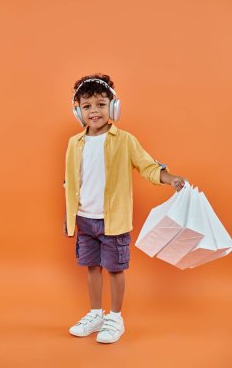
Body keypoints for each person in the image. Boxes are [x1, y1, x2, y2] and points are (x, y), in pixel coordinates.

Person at [63, 73, 186, 344]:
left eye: (100, 104)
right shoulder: (75, 144)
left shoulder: (125, 140)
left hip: (113, 221)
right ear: (77, 111)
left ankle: (115, 317)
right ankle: (96, 314)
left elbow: (149, 167)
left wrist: (170, 178)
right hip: (84, 219)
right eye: (86, 106)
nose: (94, 111)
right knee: (91, 267)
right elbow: (71, 182)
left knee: (115, 268)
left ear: (113, 107)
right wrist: (68, 217)